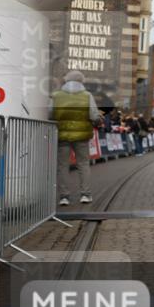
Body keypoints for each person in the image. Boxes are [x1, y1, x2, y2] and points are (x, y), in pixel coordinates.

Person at [51, 71, 99, 206]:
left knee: (62, 166)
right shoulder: (87, 95)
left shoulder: (56, 96)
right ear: (81, 81)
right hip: (82, 136)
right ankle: (85, 194)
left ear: (66, 80)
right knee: (83, 164)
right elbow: (94, 115)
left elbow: (50, 114)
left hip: (62, 135)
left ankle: (64, 197)